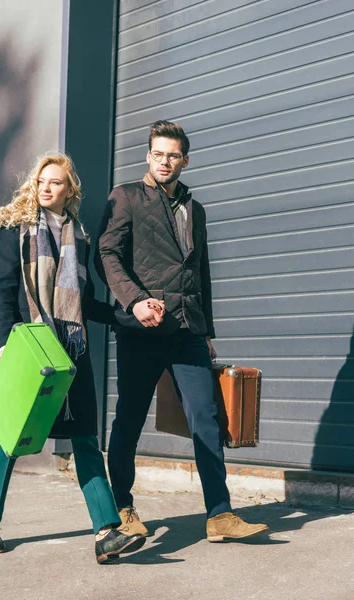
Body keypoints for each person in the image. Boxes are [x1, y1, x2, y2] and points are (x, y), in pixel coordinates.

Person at [96, 120, 268, 542]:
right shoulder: (126, 197)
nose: (165, 161)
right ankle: (122, 506)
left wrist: (206, 326)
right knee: (130, 421)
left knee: (206, 419)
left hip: (187, 330)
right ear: (148, 156)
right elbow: (107, 254)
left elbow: (200, 271)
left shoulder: (196, 207)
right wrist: (134, 300)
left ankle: (220, 515)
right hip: (143, 328)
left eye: (173, 155)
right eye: (158, 153)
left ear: (184, 160)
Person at [0, 152, 146, 564]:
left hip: (72, 351)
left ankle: (106, 532)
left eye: (55, 182)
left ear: (70, 189)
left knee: (86, 439)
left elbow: (82, 302)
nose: (46, 188)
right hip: (31, 348)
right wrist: (5, 344)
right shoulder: (16, 229)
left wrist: (126, 316)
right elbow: (1, 288)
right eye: (41, 181)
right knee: (10, 437)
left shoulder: (79, 236)